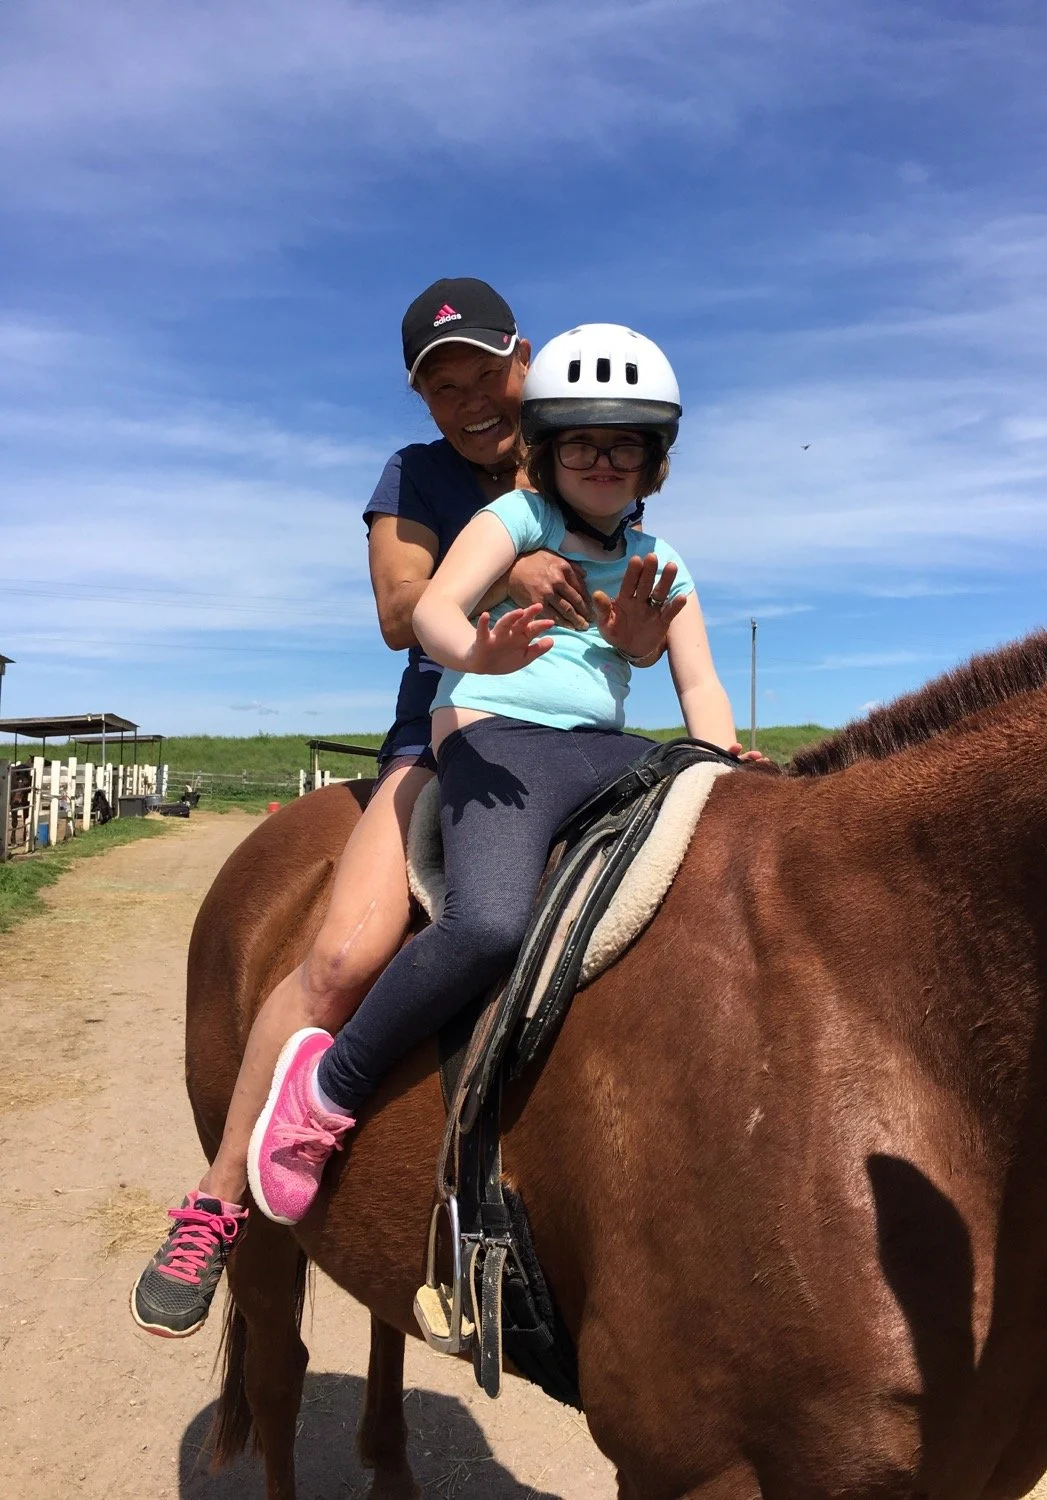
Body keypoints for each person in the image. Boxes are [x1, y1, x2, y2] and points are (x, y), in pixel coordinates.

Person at [130, 283, 672, 1338]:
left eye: (484, 375)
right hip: (446, 739)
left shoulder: (587, 454)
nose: (469, 401)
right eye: (443, 388)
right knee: (343, 955)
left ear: (526, 363)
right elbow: (396, 610)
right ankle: (218, 1199)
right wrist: (510, 565)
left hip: (584, 749)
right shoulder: (414, 478)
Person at [244, 323, 754, 1227]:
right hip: (493, 727)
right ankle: (330, 1086)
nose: (604, 460)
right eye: (584, 442)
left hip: (601, 745)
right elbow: (434, 606)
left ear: (653, 460)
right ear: (549, 450)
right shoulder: (512, 522)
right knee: (485, 923)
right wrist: (477, 650)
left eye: (625, 443)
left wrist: (721, 759)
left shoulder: (662, 562)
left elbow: (698, 679)